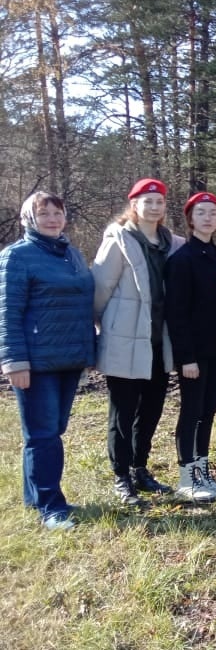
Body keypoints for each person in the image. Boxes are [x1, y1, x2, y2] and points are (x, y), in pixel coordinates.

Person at [0, 192, 95, 530]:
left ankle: (33, 496)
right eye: (45, 214)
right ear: (29, 218)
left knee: (50, 430)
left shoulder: (71, 253)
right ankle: (52, 506)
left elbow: (83, 305)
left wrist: (89, 351)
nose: (53, 219)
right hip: (36, 363)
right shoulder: (17, 256)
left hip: (69, 358)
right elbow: (8, 314)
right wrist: (14, 362)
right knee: (44, 435)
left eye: (58, 212)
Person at [93, 178, 183, 506]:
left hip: (158, 342)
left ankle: (139, 468)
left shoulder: (170, 242)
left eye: (159, 201)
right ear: (134, 205)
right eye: (148, 201)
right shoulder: (119, 239)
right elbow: (100, 288)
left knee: (151, 410)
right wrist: (107, 327)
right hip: (124, 340)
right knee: (123, 411)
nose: (154, 207)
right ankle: (121, 477)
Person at [165, 192, 216, 503]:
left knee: (208, 410)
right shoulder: (183, 259)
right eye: (201, 212)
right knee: (191, 411)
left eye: (213, 213)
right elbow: (176, 313)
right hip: (194, 353)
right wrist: (186, 357)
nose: (208, 217)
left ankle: (203, 469)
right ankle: (186, 474)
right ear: (190, 219)